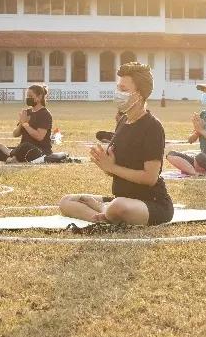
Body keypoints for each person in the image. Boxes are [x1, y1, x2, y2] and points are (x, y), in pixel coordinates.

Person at [59, 61, 174, 226]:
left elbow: (150, 178)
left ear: (139, 94)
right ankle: (102, 217)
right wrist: (106, 165)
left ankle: (104, 211)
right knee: (67, 201)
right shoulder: (123, 121)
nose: (118, 93)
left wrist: (111, 168)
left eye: (124, 89)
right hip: (120, 199)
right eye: (118, 88)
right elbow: (119, 170)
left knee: (119, 207)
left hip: (151, 203)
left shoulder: (153, 127)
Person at [0, 83, 54, 162]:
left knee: (25, 146)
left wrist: (25, 124)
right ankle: (10, 159)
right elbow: (15, 134)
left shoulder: (45, 114)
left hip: (40, 151)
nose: (28, 98)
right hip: (22, 150)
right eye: (27, 96)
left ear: (39, 97)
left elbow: (39, 137)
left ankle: (10, 153)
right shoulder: (26, 112)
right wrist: (21, 124)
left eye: (30, 96)